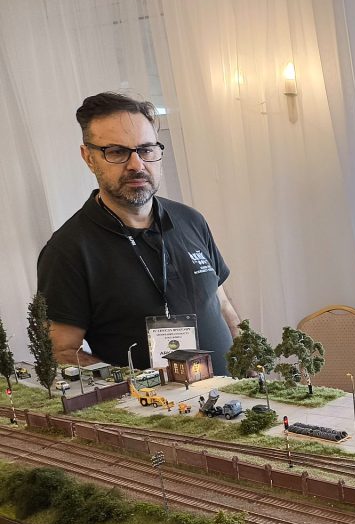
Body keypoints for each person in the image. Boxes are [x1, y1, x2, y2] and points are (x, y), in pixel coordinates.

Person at [37, 93, 240, 377]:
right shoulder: (68, 250)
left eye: (146, 149)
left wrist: (250, 365)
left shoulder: (191, 220)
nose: (136, 165)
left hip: (233, 395)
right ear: (89, 158)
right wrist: (133, 386)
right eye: (116, 152)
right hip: (151, 404)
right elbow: (62, 351)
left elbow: (223, 306)